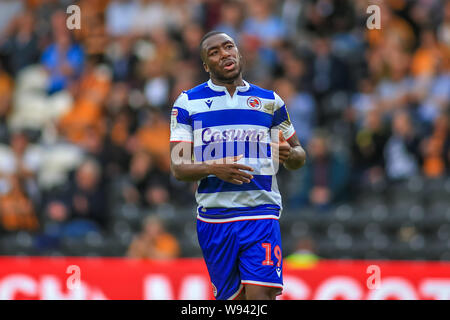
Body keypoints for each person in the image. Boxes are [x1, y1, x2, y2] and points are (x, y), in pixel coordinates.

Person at [169, 31, 306, 300]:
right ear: (206, 66)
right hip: (215, 219)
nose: (225, 54)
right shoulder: (188, 102)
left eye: (229, 47)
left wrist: (289, 154)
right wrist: (213, 168)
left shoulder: (270, 101)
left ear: (239, 53)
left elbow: (299, 155)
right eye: (215, 52)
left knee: (260, 297)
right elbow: (178, 167)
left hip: (260, 214)